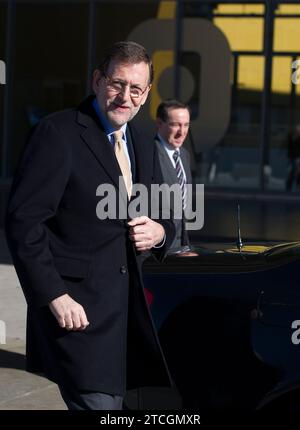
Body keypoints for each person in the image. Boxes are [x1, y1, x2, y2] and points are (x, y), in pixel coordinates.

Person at [5, 41, 175, 410]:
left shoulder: (145, 143)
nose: (124, 96)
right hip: (77, 320)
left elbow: (167, 216)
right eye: (117, 83)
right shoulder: (58, 134)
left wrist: (160, 233)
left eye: (135, 89)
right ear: (98, 81)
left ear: (146, 96)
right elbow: (23, 223)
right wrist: (55, 296)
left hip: (132, 325)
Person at [155, 99, 194, 254]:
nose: (182, 131)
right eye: (175, 124)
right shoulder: (149, 154)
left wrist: (186, 245)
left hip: (181, 246)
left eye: (186, 125)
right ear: (159, 123)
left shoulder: (184, 155)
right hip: (159, 250)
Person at [286, 125, 300, 191]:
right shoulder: (291, 136)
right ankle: (289, 186)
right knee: (292, 171)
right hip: (293, 157)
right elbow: (290, 146)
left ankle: (296, 184)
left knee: (297, 171)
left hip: (297, 157)